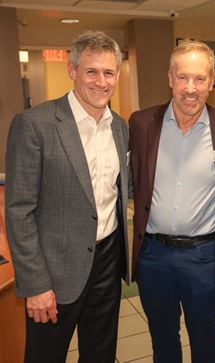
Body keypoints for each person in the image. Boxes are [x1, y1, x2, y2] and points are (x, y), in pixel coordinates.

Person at [5, 31, 129, 363]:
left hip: (107, 263)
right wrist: (34, 284)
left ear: (117, 74)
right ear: (73, 70)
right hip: (54, 273)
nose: (101, 81)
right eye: (91, 71)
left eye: (108, 72)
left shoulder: (119, 127)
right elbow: (18, 211)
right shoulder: (34, 125)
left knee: (100, 355)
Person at [128, 40, 215, 363]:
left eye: (199, 79)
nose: (190, 88)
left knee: (205, 340)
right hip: (153, 256)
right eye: (183, 78)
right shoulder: (141, 123)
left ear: (211, 81)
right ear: (170, 79)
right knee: (163, 340)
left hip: (203, 257)